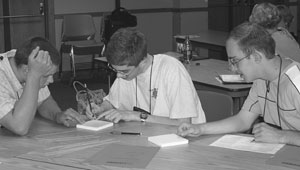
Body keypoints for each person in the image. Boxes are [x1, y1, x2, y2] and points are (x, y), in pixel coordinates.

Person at [178, 22, 300, 146]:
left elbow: (282, 136)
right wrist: (200, 129)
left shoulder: (296, 81)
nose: (231, 68)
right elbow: (242, 120)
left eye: (235, 61)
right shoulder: (261, 79)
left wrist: (282, 136)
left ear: (256, 57)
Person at [87, 27, 206, 125]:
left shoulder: (171, 69)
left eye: (124, 71)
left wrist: (135, 115)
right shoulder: (125, 72)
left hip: (180, 140)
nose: (118, 75)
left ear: (142, 62)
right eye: (114, 69)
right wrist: (101, 107)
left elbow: (184, 123)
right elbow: (113, 102)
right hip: (145, 136)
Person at [0, 37, 85, 136]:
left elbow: (44, 101)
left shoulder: (29, 61)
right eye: (46, 76)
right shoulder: (31, 70)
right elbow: (20, 127)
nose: (51, 80)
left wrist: (57, 115)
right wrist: (34, 76)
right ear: (26, 71)